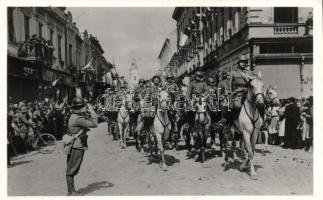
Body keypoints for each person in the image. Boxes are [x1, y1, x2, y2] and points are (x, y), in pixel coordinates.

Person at [65, 97, 97, 195]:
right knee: (72, 169)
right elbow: (94, 124)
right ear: (80, 108)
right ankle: (71, 191)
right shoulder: (77, 118)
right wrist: (92, 111)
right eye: (84, 107)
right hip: (77, 145)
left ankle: (71, 191)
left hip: (75, 144)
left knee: (71, 168)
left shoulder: (75, 116)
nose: (85, 108)